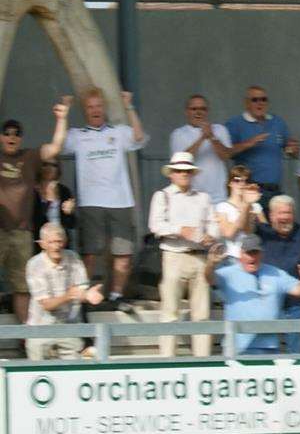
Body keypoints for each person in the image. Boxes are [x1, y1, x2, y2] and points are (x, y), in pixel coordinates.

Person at [204, 235, 300, 434]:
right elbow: (209, 280)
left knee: (270, 405)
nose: (251, 257)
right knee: (237, 405)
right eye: (248, 253)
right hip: (238, 350)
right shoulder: (229, 272)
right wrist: (211, 263)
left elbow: (298, 291)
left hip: (269, 349)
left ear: (261, 253)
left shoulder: (274, 273)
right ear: (241, 254)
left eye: (255, 253)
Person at [64, 87, 147, 312]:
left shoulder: (119, 132)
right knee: (90, 254)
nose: (95, 110)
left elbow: (139, 137)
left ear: (105, 109)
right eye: (90, 107)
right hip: (91, 202)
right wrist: (62, 116)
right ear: (85, 111)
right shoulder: (78, 135)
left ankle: (116, 296)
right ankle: (84, 298)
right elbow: (59, 144)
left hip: (120, 201)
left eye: (99, 106)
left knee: (124, 254)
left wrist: (129, 106)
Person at [1, 103, 67, 324]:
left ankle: (25, 339)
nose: (11, 137)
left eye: (16, 134)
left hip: (22, 233)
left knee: (22, 287)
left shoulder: (29, 156)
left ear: (21, 138)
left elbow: (55, 148)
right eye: (7, 133)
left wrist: (62, 118)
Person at [148, 153, 217, 357]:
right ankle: (167, 360)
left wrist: (209, 236)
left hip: (200, 256)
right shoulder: (163, 195)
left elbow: (213, 225)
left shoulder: (203, 197)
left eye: (187, 171)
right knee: (170, 311)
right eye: (179, 170)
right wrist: (180, 229)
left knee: (202, 313)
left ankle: (203, 361)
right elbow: (155, 225)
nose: (183, 174)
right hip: (173, 254)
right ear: (171, 174)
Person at [25, 222, 102, 359]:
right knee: (37, 370)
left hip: (69, 325)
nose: (56, 246)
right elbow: (46, 304)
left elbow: (79, 291)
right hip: (40, 327)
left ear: (65, 242)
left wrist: (87, 295)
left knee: (75, 368)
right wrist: (68, 296)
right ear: (42, 244)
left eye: (59, 241)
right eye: (51, 242)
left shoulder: (74, 258)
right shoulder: (34, 264)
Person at [256, 195, 300, 353]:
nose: (285, 217)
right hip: (267, 302)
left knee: (298, 353)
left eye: (288, 213)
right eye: (280, 213)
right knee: (265, 353)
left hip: (295, 303)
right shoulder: (262, 232)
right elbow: (245, 230)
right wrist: (248, 204)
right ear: (271, 216)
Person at [225, 86, 297, 195]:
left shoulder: (277, 122)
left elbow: (291, 152)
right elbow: (226, 153)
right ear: (246, 103)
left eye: (263, 99)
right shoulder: (234, 124)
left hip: (275, 189)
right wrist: (248, 143)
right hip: (249, 190)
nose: (260, 103)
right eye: (255, 100)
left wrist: (293, 150)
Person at [169, 93, 232, 203]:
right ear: (187, 112)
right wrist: (202, 138)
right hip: (190, 196)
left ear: (207, 111)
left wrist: (212, 137)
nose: (198, 112)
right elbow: (181, 162)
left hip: (218, 197)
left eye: (203, 109)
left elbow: (226, 156)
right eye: (194, 109)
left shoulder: (220, 129)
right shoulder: (178, 134)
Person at [214, 166, 262, 259]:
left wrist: (247, 205)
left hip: (251, 256)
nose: (242, 184)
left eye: (246, 181)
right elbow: (228, 233)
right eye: (237, 180)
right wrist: (246, 207)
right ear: (230, 183)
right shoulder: (222, 206)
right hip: (231, 256)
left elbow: (249, 231)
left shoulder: (255, 206)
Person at [32, 158, 77, 245]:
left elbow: (72, 224)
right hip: (41, 241)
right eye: (45, 164)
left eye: (54, 165)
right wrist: (47, 202)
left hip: (61, 240)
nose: (49, 168)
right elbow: (34, 220)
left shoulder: (64, 191)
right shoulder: (33, 191)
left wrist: (69, 213)